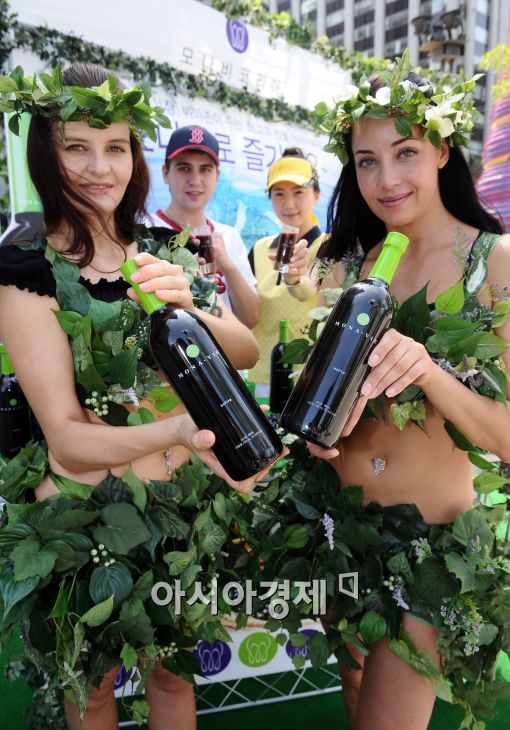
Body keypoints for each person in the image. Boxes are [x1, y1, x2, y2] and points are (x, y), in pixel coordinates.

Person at [0, 62, 283, 730]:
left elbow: (244, 349)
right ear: (45, 154)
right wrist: (179, 432)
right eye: (77, 147)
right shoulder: (26, 270)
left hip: (182, 515)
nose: (99, 168)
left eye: (115, 147)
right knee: (93, 691)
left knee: (174, 677)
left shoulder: (166, 248)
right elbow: (67, 438)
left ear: (135, 156)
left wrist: (191, 305)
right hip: (82, 524)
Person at [289, 61, 510, 729]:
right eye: (367, 161)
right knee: (355, 694)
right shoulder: (342, 263)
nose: (386, 179)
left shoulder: (493, 262)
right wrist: (316, 434)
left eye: (405, 152)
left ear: (442, 149)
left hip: (429, 549)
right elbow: (318, 392)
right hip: (337, 528)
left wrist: (430, 372)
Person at [153, 125, 259, 328]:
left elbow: (251, 319)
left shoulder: (229, 236)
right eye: (184, 168)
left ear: (217, 176)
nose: (195, 180)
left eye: (205, 169)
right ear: (166, 173)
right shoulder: (146, 230)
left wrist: (228, 268)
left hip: (224, 348)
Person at [248, 148, 327, 394]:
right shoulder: (259, 249)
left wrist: (294, 279)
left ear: (316, 194)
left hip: (309, 372)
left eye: (298, 192)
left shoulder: (329, 244)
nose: (289, 204)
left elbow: (308, 289)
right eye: (279, 194)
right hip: (262, 373)